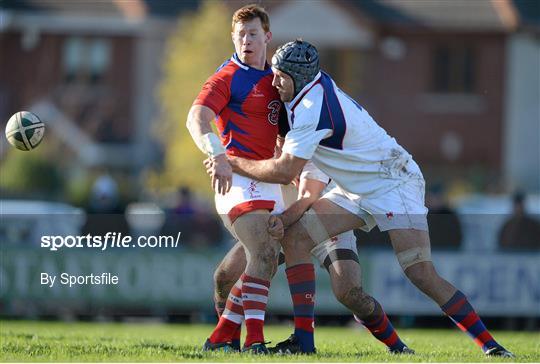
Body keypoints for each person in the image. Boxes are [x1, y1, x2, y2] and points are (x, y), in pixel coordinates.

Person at [222, 39, 514, 358]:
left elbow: (282, 171)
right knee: (296, 238)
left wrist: (233, 161)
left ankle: (491, 346)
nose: (274, 82)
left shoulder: (310, 111)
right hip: (357, 186)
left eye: (281, 76)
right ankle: (303, 341)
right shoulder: (310, 88)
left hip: (394, 181)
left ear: (299, 77)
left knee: (420, 272)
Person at [211, 161, 414, 354]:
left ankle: (398, 346)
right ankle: (229, 344)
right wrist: (224, 161)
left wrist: (232, 162)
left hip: (324, 219)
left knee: (350, 292)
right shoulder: (268, 134)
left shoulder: (311, 131)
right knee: (225, 276)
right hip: (284, 224)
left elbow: (295, 176)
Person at [186, 4, 285, 353]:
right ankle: (254, 342)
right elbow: (196, 118)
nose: (246, 40)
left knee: (234, 273)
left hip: (272, 179)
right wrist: (216, 154)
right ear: (233, 37)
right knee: (263, 247)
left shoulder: (279, 77)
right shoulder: (227, 76)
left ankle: (220, 336)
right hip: (236, 179)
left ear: (267, 37)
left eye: (253, 33)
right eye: (240, 34)